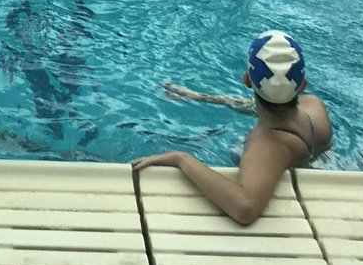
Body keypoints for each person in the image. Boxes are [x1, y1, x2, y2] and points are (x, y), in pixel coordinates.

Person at [133, 30, 332, 225]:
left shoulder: (266, 144)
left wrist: (181, 159)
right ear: (302, 84)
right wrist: (201, 98)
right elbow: (268, 108)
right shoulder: (314, 106)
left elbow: (245, 208)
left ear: (247, 80)